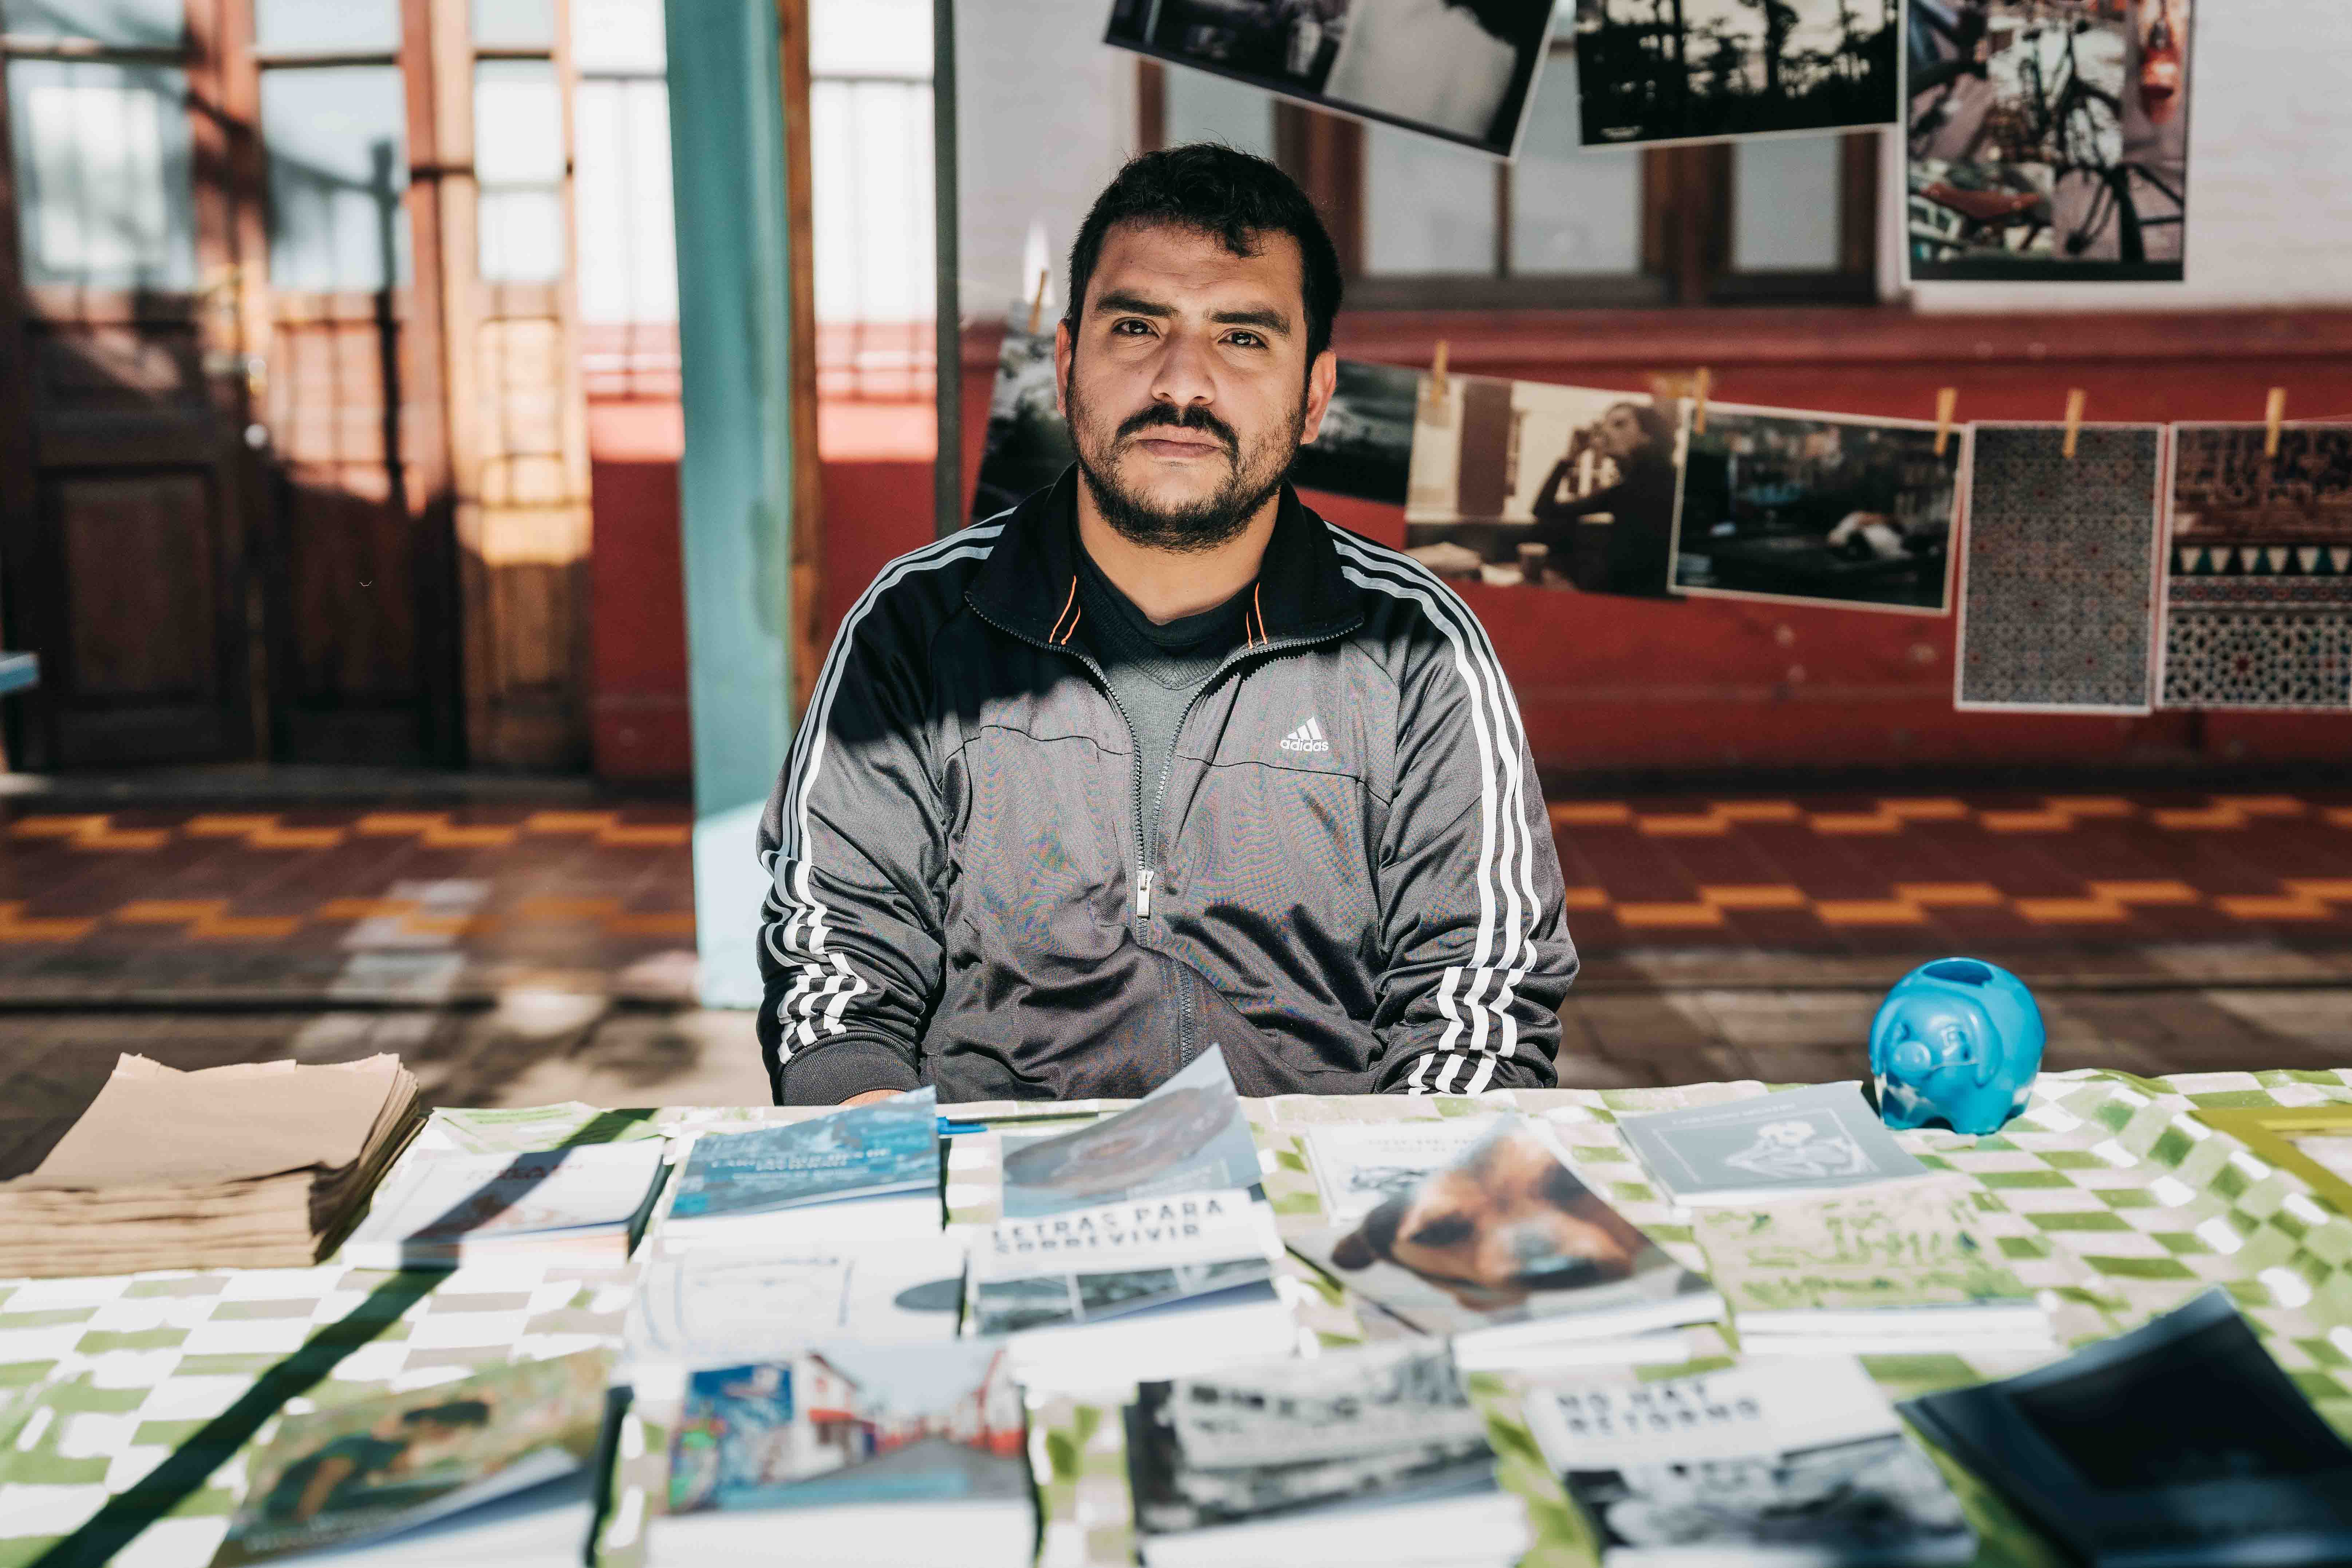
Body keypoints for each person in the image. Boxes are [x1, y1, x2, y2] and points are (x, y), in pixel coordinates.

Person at [755, 144, 1576, 1107]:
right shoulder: (917, 623)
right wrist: (879, 1144)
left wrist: (1384, 1182)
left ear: (1314, 397)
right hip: (992, 1172)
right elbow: (835, 964)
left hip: (1310, 1178)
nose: (1181, 383)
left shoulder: (1415, 649)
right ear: (1066, 365)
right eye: (1137, 326)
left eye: (1242, 337)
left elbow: (1481, 995)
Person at [1525, 402, 1678, 597]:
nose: (1605, 432)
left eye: (1619, 424)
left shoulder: (1667, 485)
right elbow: (1544, 510)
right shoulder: (1626, 489)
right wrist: (1569, 458)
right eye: (1605, 424)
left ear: (1648, 436)